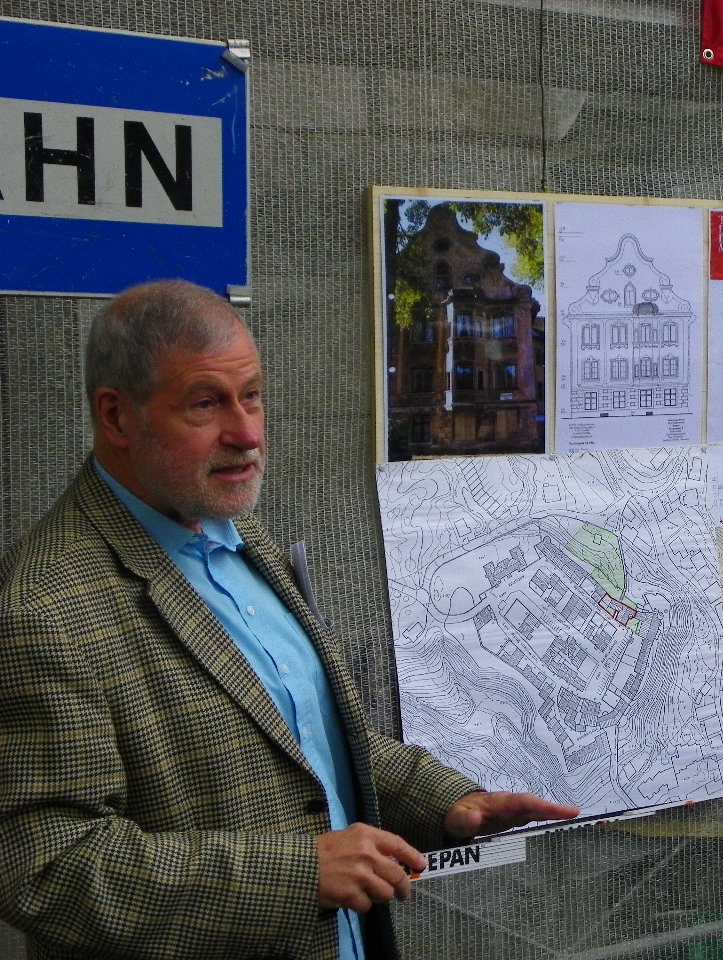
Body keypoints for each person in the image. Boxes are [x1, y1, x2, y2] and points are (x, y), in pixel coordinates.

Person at [0, 280, 578, 960]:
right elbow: (44, 867)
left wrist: (448, 803)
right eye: (205, 403)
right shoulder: (42, 609)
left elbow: (308, 739)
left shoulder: (237, 535)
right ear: (117, 416)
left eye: (251, 395)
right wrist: (301, 874)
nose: (246, 433)